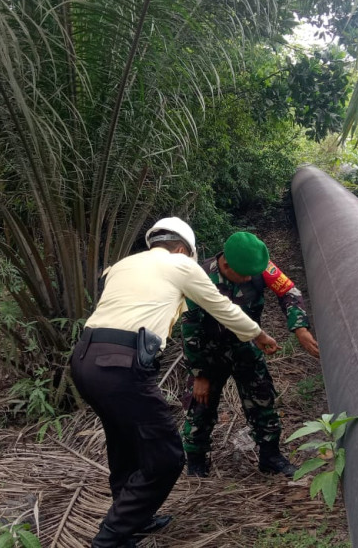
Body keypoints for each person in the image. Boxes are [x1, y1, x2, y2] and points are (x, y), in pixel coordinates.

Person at [70, 218, 280, 548]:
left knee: (124, 444)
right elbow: (220, 306)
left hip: (85, 359)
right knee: (167, 457)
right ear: (182, 249)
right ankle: (110, 540)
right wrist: (258, 333)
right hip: (123, 367)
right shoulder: (179, 263)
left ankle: (134, 520)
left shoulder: (123, 265)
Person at [181, 231, 319, 479]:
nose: (248, 278)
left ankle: (270, 456)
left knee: (262, 401)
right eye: (243, 275)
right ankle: (196, 461)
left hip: (246, 348)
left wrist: (299, 327)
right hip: (209, 354)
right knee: (200, 407)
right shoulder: (199, 278)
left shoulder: (259, 265)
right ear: (225, 265)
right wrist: (199, 373)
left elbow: (289, 291)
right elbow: (190, 328)